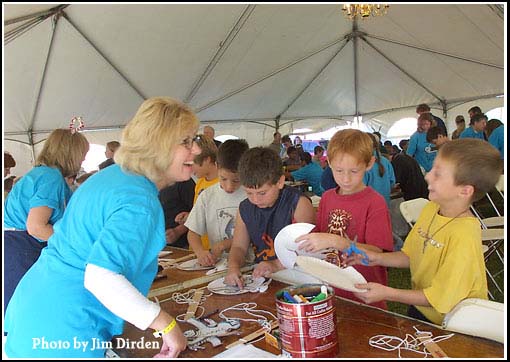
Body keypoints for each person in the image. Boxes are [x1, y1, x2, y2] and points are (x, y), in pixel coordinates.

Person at [4, 97, 198, 358]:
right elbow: (102, 278)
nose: (196, 150)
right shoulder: (139, 201)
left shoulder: (109, 177)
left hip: (35, 309)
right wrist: (166, 324)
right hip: (68, 325)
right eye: (186, 141)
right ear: (159, 145)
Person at [348, 138, 502, 326]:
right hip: (422, 308)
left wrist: (387, 293)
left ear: (464, 191)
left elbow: (438, 297)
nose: (428, 176)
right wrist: (376, 258)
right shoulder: (431, 208)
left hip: (454, 323)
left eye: (438, 174)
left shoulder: (464, 234)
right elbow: (411, 255)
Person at [294, 129, 393, 310]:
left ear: (369, 163)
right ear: (328, 163)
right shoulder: (327, 198)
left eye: (354, 171)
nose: (346, 179)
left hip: (365, 294)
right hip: (331, 289)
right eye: (339, 171)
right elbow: (322, 235)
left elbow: (377, 252)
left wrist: (337, 241)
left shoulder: (375, 202)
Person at [3, 129, 89, 313]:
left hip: (14, 246)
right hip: (21, 249)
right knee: (23, 311)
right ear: (70, 154)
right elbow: (36, 227)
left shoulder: (41, 174)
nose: (82, 161)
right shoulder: (51, 178)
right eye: (82, 156)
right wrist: (74, 245)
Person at [225, 147, 315, 288]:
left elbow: (307, 251)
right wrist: (233, 267)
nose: (255, 200)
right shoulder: (244, 208)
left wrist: (275, 264)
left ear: (280, 182)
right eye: (249, 193)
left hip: (298, 278)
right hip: (264, 277)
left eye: (262, 193)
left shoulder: (298, 204)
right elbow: (238, 246)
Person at [185, 139, 250, 266]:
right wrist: (200, 253)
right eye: (223, 179)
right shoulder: (207, 196)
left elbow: (256, 232)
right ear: (216, 166)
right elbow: (192, 233)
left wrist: (227, 243)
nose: (229, 187)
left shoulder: (252, 194)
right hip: (218, 264)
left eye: (236, 180)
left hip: (249, 264)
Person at [159, 179, 195, 249]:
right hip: (157, 247)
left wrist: (178, 231)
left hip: (183, 246)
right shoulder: (146, 183)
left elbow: (198, 215)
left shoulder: (184, 181)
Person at [364, 133, 396, 208]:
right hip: (385, 203)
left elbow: (359, 189)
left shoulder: (363, 164)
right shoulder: (386, 161)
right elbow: (392, 182)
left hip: (369, 206)